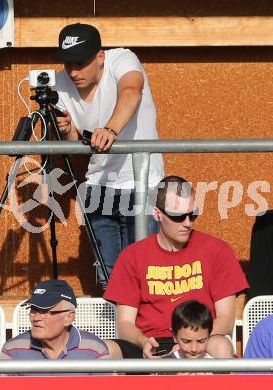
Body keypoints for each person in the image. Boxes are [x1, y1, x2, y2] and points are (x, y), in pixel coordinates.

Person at [53, 23, 164, 287]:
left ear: (100, 56)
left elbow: (132, 91)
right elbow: (76, 139)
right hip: (98, 185)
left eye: (80, 63)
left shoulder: (122, 59)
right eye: (68, 64)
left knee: (144, 276)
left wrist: (111, 128)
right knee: (108, 278)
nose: (73, 72)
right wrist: (68, 131)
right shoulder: (59, 81)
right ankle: (117, 329)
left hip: (142, 184)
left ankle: (144, 330)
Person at [104, 175, 248, 359]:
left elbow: (226, 320)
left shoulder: (217, 250)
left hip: (201, 341)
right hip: (151, 343)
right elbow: (125, 323)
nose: (187, 223)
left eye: (192, 214)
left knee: (221, 346)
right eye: (178, 216)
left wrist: (188, 343)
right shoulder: (132, 256)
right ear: (157, 214)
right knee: (107, 351)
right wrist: (144, 342)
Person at [1, 279, 109, 375]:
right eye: (33, 310)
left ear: (68, 318)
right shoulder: (13, 350)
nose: (36, 318)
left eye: (45, 311)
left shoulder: (94, 350)